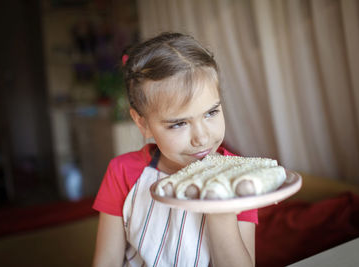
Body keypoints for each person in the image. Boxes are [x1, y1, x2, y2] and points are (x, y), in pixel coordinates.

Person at [92, 32, 257, 267]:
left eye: (211, 112)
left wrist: (220, 207)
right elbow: (107, 261)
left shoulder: (240, 177)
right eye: (179, 123)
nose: (201, 138)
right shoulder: (122, 172)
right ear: (143, 124)